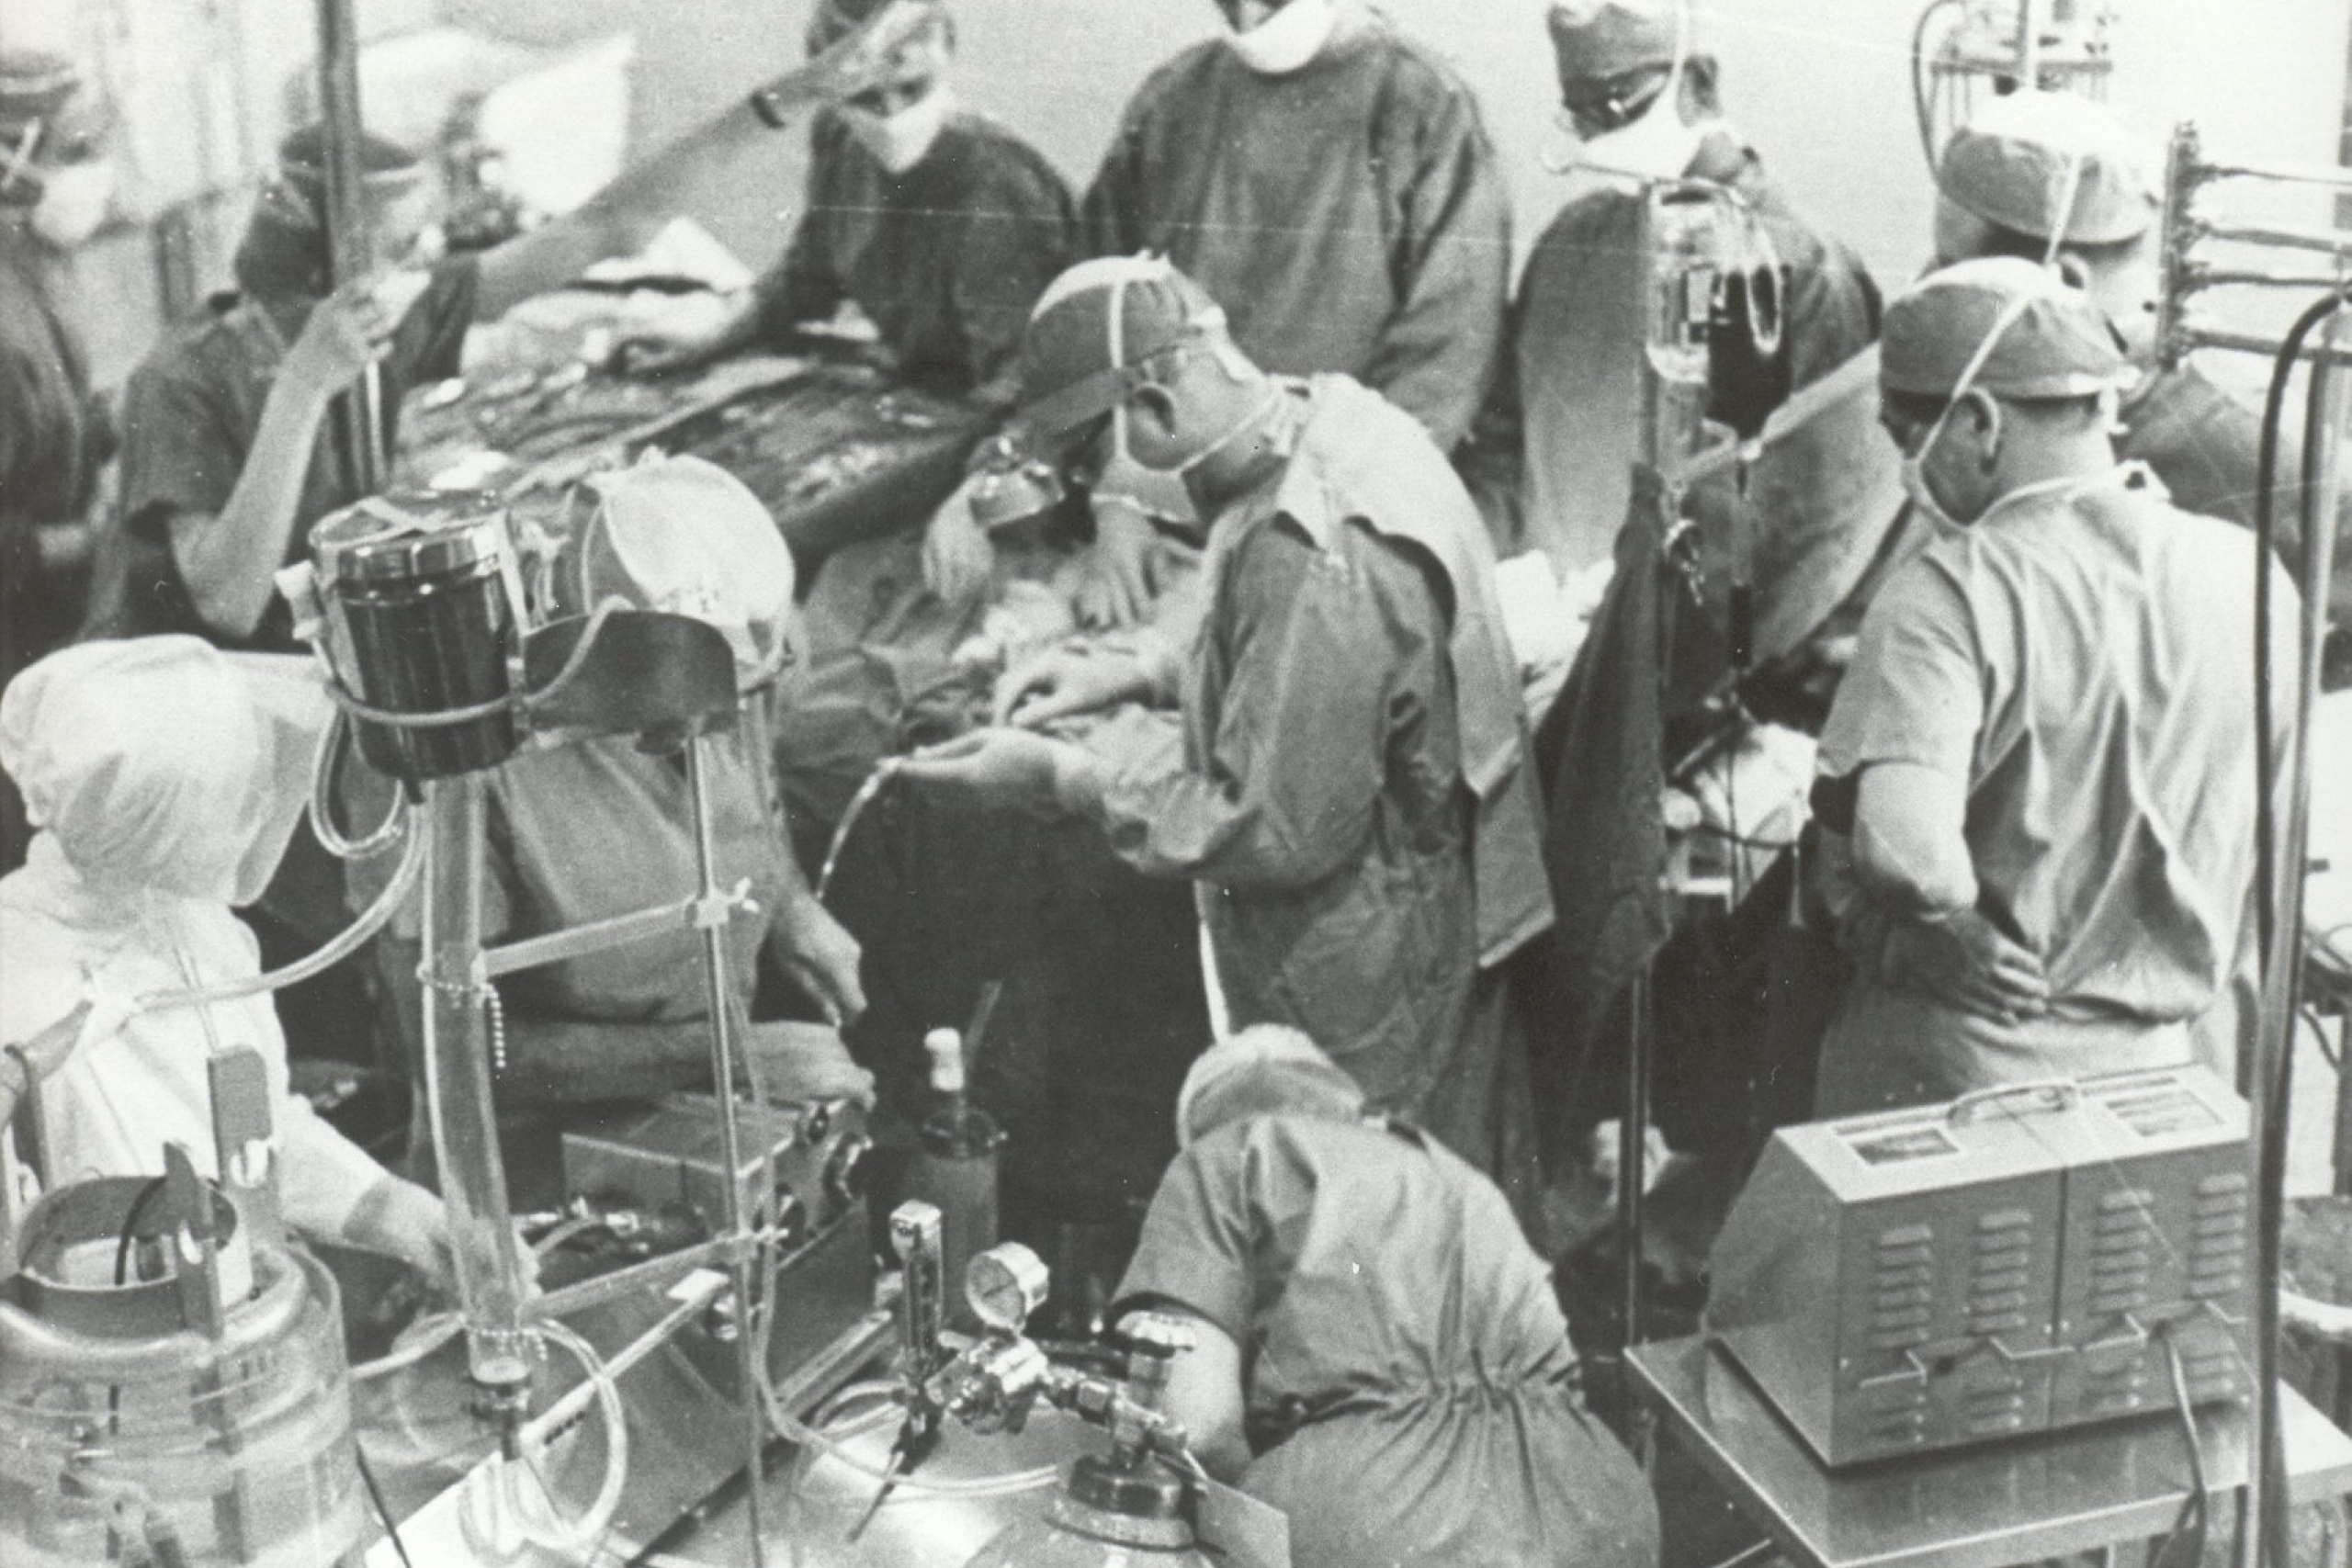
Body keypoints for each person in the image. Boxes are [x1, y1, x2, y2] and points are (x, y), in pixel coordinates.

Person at [898, 257, 1553, 1192]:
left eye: (1093, 467)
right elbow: (1328, 671)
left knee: (1362, 1225)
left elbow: (1277, 832)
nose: (1097, 495)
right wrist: (1142, 668)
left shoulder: (1316, 550)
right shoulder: (1338, 421)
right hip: (1423, 909)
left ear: (1155, 406)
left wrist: (1063, 779)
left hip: (1371, 962)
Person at [1808, 258, 2293, 1115]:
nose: (1906, 475)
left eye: (1906, 438)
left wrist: (1942, 931)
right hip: (2162, 1085)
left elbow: (1910, 859)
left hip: (1963, 1080)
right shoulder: (2249, 576)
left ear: (1981, 422)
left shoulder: (1949, 590)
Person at [344, 457, 871, 1202]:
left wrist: (790, 907)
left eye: (744, 697)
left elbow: (750, 796)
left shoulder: (731, 667)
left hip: (714, 1094)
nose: (725, 723)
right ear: (606, 648)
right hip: (540, 1171)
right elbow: (452, 1055)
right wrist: (726, 1050)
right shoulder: (450, 756)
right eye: (704, 703)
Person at [1110, 1026, 1660, 1568]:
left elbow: (1198, 1428)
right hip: (1595, 1506)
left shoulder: (1221, 1159)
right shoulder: (1458, 1175)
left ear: (1201, 1125)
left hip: (1378, 1523)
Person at [0, 636, 451, 1284]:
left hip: (249, 1321)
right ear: (154, 826)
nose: (262, 810)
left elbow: (256, 1139)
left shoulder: (206, 934)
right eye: (235, 799)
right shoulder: (19, 984)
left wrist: (391, 1207)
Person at [1464, 0, 1879, 568]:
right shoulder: (1572, 244)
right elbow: (1500, 450)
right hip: (1544, 630)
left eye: (1615, 105)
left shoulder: (1801, 272)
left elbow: (1816, 529)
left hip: (1691, 637)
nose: (1597, 139)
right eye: (1580, 114)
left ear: (1700, 82)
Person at [1929, 89, 2350, 641]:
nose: (1929, 291)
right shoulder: (1993, 399)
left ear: (2063, 283)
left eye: (1949, 269)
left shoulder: (2258, 448)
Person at [623, 0, 1078, 411]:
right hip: (922, 385)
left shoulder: (998, 188)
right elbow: (811, 274)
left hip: (1000, 413)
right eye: (864, 97)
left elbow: (1022, 388)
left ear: (948, 51)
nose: (891, 115)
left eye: (913, 87)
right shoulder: (841, 139)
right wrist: (720, 326)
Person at [0, 50, 115, 873]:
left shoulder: (33, 267)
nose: (94, 173)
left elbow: (57, 423)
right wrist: (86, 540)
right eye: (73, 151)